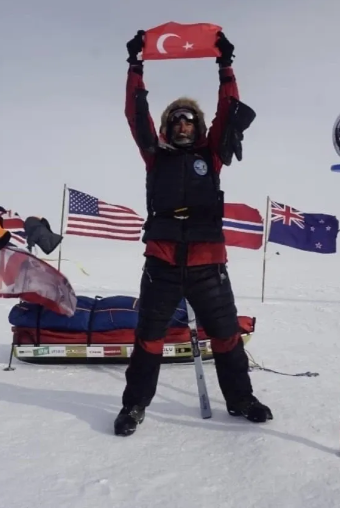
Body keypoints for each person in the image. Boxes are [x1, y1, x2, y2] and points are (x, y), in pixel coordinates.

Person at [114, 29, 272, 436]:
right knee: (149, 339)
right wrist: (136, 67)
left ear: (198, 127)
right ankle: (134, 406)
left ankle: (240, 399)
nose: (183, 123)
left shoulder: (211, 155)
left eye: (190, 119)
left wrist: (225, 66)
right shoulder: (155, 155)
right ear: (168, 126)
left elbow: (228, 108)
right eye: (176, 119)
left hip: (208, 265)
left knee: (226, 336)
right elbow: (136, 114)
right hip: (162, 263)